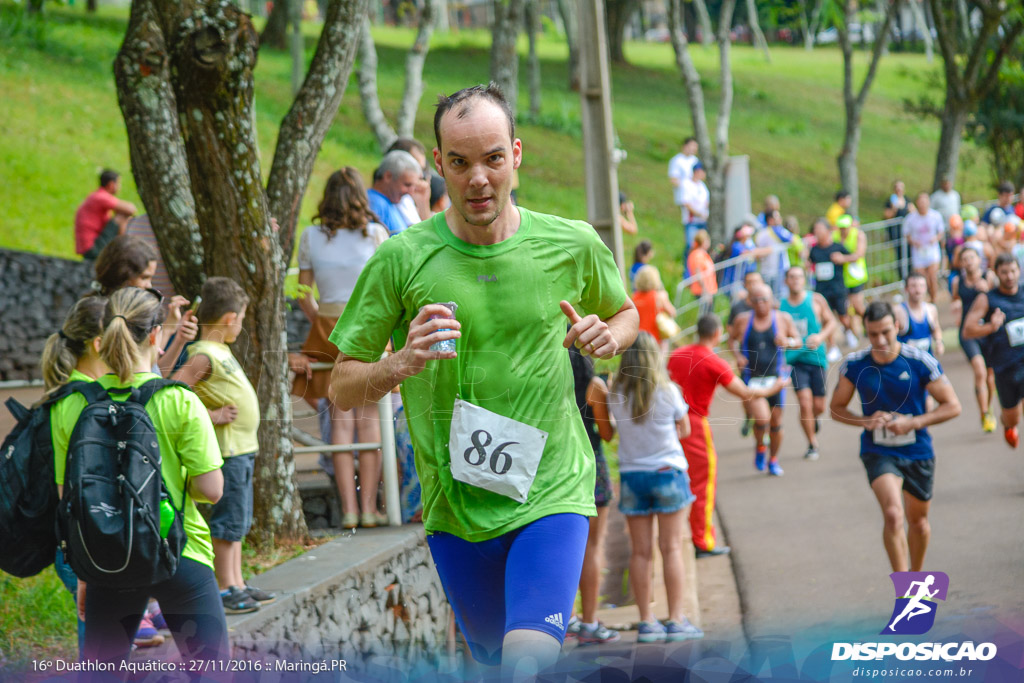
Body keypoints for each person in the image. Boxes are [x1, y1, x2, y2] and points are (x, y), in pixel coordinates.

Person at [327, 84, 638, 678]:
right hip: (456, 507)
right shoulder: (401, 259)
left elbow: (625, 313)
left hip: (551, 489)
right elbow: (340, 385)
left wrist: (611, 337)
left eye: (493, 158)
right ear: (439, 164)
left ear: (516, 155)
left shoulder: (569, 243)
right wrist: (399, 364)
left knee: (526, 660)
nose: (478, 179)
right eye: (461, 162)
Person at [50, 287, 229, 667]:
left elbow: (71, 499)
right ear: (155, 336)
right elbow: (211, 490)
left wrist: (84, 576)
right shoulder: (179, 400)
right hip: (180, 551)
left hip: (106, 559)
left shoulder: (71, 404)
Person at [830, 301, 961, 572]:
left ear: (897, 327)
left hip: (917, 449)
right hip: (878, 449)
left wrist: (912, 422)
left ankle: (916, 576)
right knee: (892, 515)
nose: (880, 339)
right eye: (873, 334)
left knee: (919, 523)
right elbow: (836, 408)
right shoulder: (855, 365)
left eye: (886, 332)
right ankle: (904, 591)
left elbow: (953, 406)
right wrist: (865, 421)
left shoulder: (919, 361)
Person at [292, 168, 389, 529]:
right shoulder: (377, 234)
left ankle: (348, 508)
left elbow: (303, 295)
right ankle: (368, 507)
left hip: (329, 330)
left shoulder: (311, 236)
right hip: (369, 330)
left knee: (340, 424)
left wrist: (321, 319)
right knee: (369, 424)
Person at [172, 277, 274, 615]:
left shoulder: (220, 350)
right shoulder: (202, 354)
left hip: (242, 450)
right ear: (230, 317)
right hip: (227, 452)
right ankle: (224, 586)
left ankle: (238, 581)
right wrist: (212, 415)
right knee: (228, 521)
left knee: (238, 520)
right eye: (242, 318)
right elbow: (174, 393)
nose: (241, 324)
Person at [606, 332, 703, 643]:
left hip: (633, 476)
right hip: (667, 472)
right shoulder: (668, 391)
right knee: (671, 548)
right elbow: (685, 430)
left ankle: (647, 623)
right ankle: (676, 619)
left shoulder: (616, 393)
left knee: (641, 553)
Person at [668, 314, 788, 557]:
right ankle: (702, 541)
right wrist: (774, 388)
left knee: (682, 477)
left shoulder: (676, 354)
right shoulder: (714, 362)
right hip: (694, 423)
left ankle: (691, 535)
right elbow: (746, 393)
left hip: (669, 422)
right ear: (717, 334)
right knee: (703, 481)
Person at [566, 344, 618, 645]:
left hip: (556, 463)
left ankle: (564, 617)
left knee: (559, 545)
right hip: (590, 462)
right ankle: (588, 622)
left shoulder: (547, 380)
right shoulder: (593, 385)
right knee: (592, 547)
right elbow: (607, 433)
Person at [92, 235, 198, 378]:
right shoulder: (104, 317)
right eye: (144, 277)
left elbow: (152, 376)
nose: (149, 285)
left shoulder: (122, 313)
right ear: (123, 275)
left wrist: (176, 336)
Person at [729, 284, 802, 476]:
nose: (761, 304)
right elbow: (731, 340)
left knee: (776, 422)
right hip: (752, 379)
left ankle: (774, 459)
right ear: (750, 301)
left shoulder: (782, 319)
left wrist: (788, 342)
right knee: (762, 420)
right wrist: (737, 356)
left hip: (776, 379)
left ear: (772, 300)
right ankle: (761, 446)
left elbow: (798, 341)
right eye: (756, 300)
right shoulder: (743, 321)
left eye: (764, 299)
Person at [963, 253, 1024, 447]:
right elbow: (967, 330)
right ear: (996, 273)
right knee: (1012, 417)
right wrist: (991, 326)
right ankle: (1008, 425)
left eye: (1013, 271)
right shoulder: (988, 299)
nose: (1009, 276)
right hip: (1006, 368)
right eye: (1004, 272)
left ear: (1019, 271)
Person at [780, 266, 837, 461]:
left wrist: (821, 336)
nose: (795, 280)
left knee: (818, 406)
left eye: (798, 277)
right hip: (795, 361)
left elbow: (831, 322)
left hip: (816, 358)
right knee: (805, 403)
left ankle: (814, 419)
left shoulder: (816, 300)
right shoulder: (780, 307)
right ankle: (812, 443)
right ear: (786, 281)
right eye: (791, 277)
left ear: (804, 280)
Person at [950, 248, 997, 433]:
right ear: (961, 263)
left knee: (990, 376)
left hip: (988, 332)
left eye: (971, 258)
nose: (968, 261)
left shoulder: (990, 277)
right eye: (965, 259)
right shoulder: (957, 282)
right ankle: (984, 413)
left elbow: (1000, 301)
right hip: (968, 333)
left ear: (979, 260)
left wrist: (988, 291)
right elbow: (955, 299)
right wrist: (956, 310)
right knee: (980, 371)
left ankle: (988, 406)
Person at [808, 218, 850, 361]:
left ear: (827, 231)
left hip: (837, 288)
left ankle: (848, 331)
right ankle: (832, 346)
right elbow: (809, 264)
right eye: (815, 230)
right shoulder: (814, 250)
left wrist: (842, 258)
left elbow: (853, 257)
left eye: (820, 229)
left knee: (843, 316)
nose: (817, 233)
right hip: (821, 290)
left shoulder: (837, 247)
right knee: (827, 319)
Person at [74, 169, 138, 260]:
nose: (120, 187)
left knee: (121, 215)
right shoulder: (101, 197)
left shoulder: (96, 196)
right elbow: (131, 209)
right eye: (119, 184)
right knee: (121, 217)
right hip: (93, 247)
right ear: (111, 184)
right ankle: (124, 251)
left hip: (89, 246)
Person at [368, 150, 423, 236]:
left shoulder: (391, 202)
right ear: (388, 176)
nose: (411, 193)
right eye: (407, 185)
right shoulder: (374, 203)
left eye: (414, 186)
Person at [903, 192, 945, 302]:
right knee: (922, 278)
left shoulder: (935, 216)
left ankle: (933, 299)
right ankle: (924, 299)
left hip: (932, 250)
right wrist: (913, 242)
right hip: (919, 251)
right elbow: (906, 234)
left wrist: (935, 238)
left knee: (932, 276)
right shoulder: (911, 218)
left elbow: (941, 231)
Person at [834, 214, 868, 340]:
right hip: (841, 278)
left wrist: (843, 259)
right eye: (841, 227)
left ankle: (869, 323)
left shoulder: (858, 235)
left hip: (856, 277)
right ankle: (854, 334)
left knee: (857, 306)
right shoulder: (835, 236)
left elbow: (859, 253)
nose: (843, 230)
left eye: (845, 227)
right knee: (847, 309)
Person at [387, 137, 433, 225]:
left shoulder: (406, 199)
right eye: (415, 168)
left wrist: (423, 203)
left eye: (422, 170)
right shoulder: (388, 201)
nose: (421, 176)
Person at [895, 273, 943, 356]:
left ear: (926, 288)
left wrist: (939, 342)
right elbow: (890, 336)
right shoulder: (898, 311)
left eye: (921, 286)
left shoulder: (931, 309)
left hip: (926, 361)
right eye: (913, 286)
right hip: (906, 363)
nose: (918, 290)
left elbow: (936, 328)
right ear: (906, 289)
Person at [632, 265, 676, 351]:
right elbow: (672, 312)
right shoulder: (659, 297)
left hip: (639, 338)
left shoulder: (634, 298)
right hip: (655, 338)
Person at [754, 209, 793, 298]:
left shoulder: (761, 234)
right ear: (770, 220)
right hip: (775, 270)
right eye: (777, 217)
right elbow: (792, 239)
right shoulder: (777, 231)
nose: (780, 219)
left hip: (771, 270)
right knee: (777, 297)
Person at [681, 162, 710, 266]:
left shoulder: (702, 186)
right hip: (692, 221)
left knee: (702, 246)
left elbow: (706, 202)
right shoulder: (687, 184)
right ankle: (688, 269)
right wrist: (698, 213)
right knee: (691, 245)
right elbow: (686, 203)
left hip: (702, 221)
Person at [687, 229, 718, 315]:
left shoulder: (700, 254)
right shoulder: (698, 255)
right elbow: (699, 274)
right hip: (702, 291)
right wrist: (706, 292)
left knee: (707, 314)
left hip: (707, 290)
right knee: (706, 316)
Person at [669, 136, 699, 216]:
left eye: (695, 146)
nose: (694, 148)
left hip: (696, 197)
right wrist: (685, 187)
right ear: (685, 146)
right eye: (692, 146)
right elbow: (673, 179)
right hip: (683, 197)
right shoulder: (677, 160)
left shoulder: (695, 160)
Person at [884, 180, 912, 266]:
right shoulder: (890, 201)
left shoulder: (907, 200)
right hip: (896, 231)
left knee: (909, 251)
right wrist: (894, 209)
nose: (899, 189)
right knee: (899, 252)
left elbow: (913, 212)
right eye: (897, 187)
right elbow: (887, 216)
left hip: (907, 230)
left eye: (901, 187)